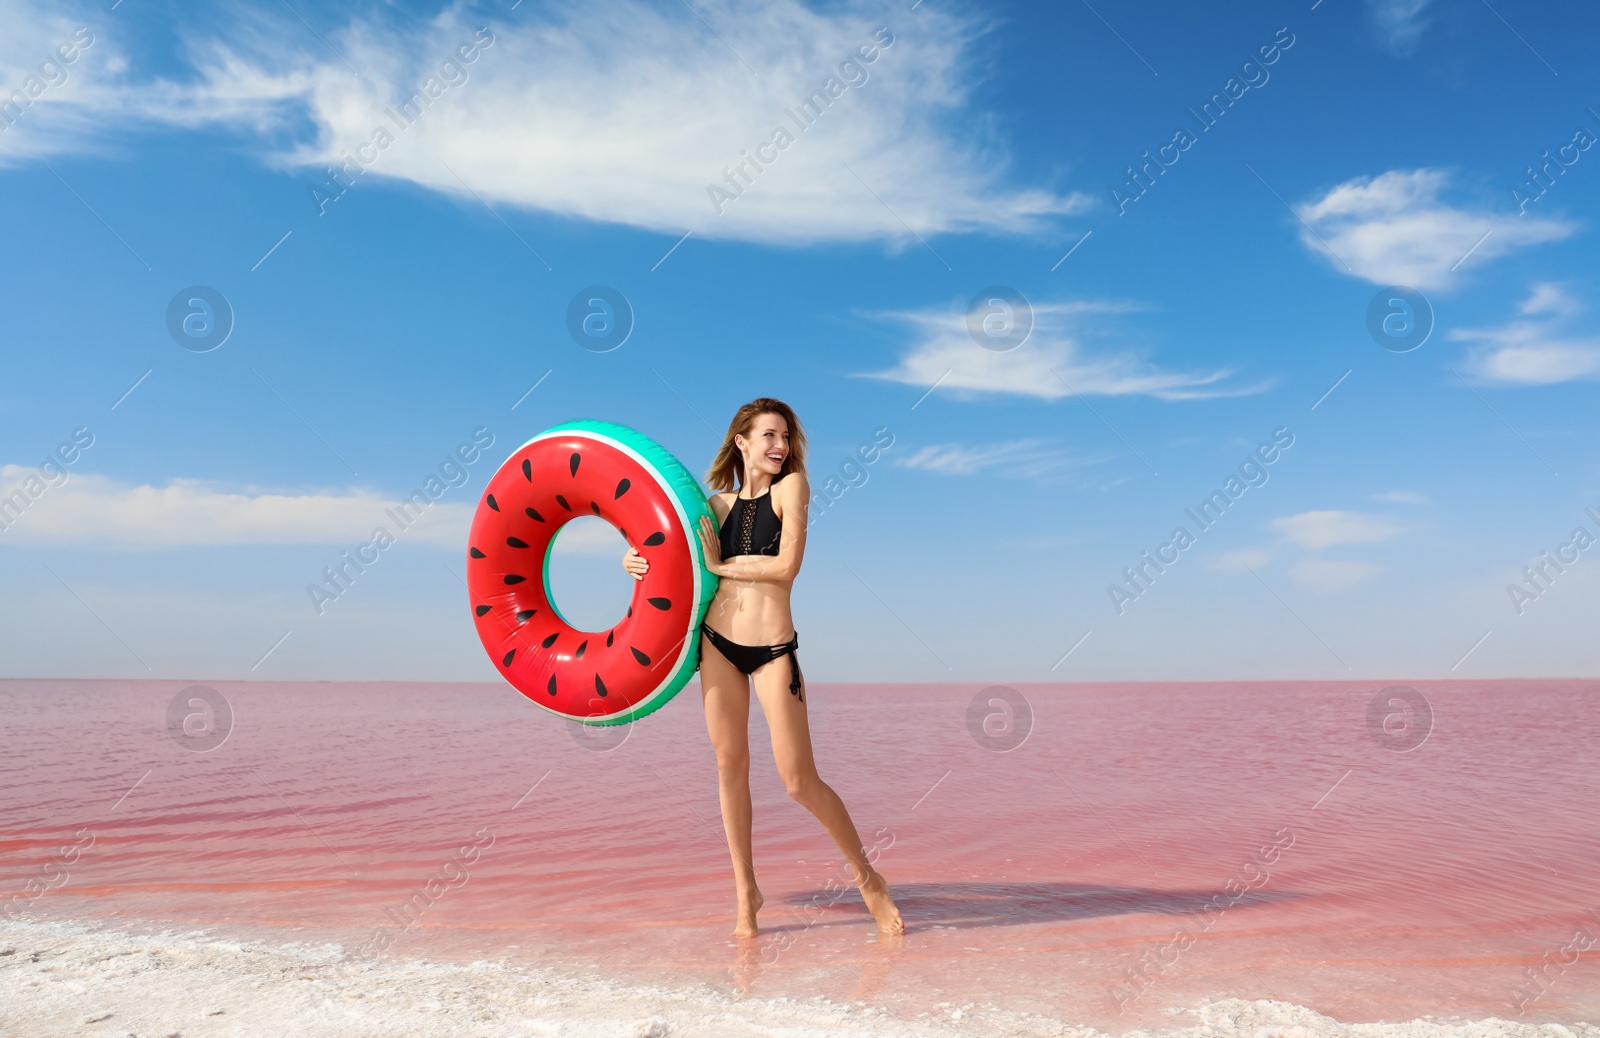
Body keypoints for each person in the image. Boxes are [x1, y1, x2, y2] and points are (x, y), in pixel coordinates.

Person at [622, 398, 904, 939]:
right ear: (742, 441)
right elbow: (672, 560)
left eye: (785, 437)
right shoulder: (715, 506)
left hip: (773, 648)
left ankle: (868, 878)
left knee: (798, 780)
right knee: (730, 765)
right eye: (769, 436)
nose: (779, 447)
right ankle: (745, 891)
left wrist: (723, 565)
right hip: (718, 644)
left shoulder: (790, 490)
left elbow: (786, 567)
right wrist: (633, 561)